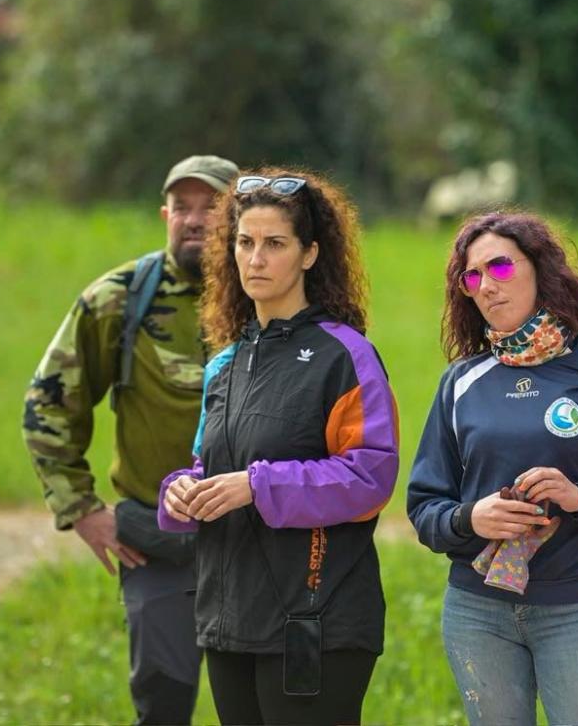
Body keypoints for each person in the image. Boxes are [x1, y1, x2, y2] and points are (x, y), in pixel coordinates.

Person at [406, 211, 578, 726]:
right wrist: (471, 519)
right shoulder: (460, 382)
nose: (487, 286)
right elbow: (424, 507)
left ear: (540, 269)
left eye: (501, 268)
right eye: (472, 277)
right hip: (476, 612)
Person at [158, 169, 399, 726]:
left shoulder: (347, 356)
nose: (255, 260)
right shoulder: (223, 365)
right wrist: (182, 492)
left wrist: (258, 485)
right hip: (228, 619)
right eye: (245, 243)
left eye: (274, 244)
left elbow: (370, 480)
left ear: (310, 254)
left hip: (315, 621)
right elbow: (208, 464)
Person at [23, 153, 238, 724]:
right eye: (182, 207)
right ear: (164, 213)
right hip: (158, 541)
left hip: (257, 543)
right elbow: (48, 401)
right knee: (163, 698)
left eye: (211, 207)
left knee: (266, 703)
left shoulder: (272, 300)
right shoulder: (117, 299)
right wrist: (81, 508)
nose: (193, 220)